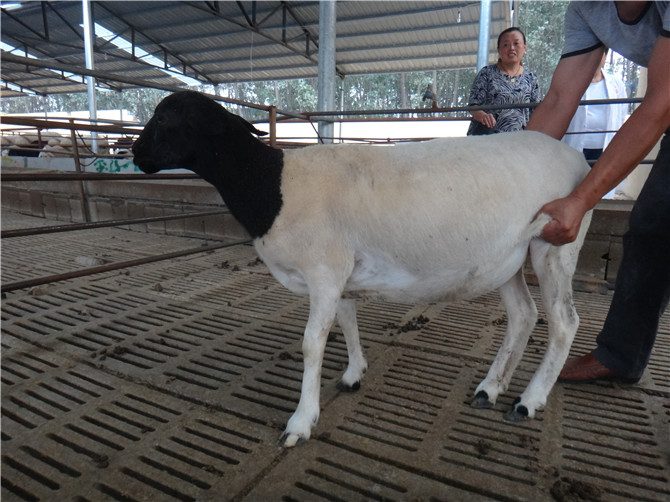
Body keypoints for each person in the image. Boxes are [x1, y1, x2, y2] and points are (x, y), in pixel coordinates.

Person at [526, 2, 670, 384]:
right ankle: (621, 355)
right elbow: (559, 100)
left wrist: (580, 199)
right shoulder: (587, 9)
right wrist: (505, 181)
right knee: (651, 226)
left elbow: (659, 103)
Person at [562, 50, 628, 198]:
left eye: (600, 54)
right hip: (575, 147)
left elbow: (622, 113)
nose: (594, 58)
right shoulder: (570, 82)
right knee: (574, 191)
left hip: (604, 150)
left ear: (605, 56)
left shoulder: (616, 84)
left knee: (600, 192)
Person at [467, 27, 542, 135]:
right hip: (487, 140)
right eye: (505, 45)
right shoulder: (486, 73)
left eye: (516, 43)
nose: (511, 48)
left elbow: (537, 113)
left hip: (520, 141)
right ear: (499, 50)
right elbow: (473, 106)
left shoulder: (531, 79)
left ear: (524, 48)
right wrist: (483, 116)